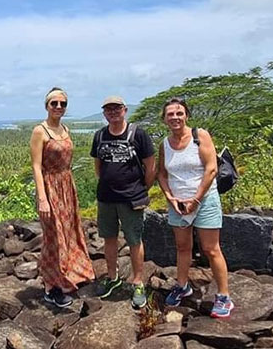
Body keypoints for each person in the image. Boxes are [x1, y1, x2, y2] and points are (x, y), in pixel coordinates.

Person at [157, 97, 234, 318]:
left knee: (211, 249)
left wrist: (196, 200)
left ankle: (224, 296)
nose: (175, 117)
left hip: (205, 199)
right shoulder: (165, 143)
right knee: (183, 247)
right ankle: (182, 285)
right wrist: (170, 197)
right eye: (170, 114)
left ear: (187, 115)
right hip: (178, 203)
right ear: (164, 119)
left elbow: (211, 169)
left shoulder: (199, 136)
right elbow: (162, 173)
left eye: (179, 113)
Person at [30, 87, 95, 307]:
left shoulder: (65, 129)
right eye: (54, 103)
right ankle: (51, 287)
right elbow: (36, 166)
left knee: (69, 232)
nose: (58, 107)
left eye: (63, 104)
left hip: (67, 185)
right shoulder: (41, 131)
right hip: (50, 187)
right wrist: (42, 197)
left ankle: (67, 275)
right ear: (46, 106)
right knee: (53, 236)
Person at [90, 96, 156, 308]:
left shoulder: (138, 134)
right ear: (104, 113)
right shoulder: (100, 135)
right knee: (109, 238)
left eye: (116, 108)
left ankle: (138, 282)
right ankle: (112, 277)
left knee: (134, 239)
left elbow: (151, 167)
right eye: (108, 109)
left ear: (125, 110)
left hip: (131, 198)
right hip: (106, 198)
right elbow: (98, 168)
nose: (113, 112)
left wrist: (141, 189)